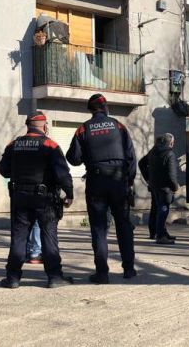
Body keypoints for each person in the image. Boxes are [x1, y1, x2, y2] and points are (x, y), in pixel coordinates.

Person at [0, 111, 74, 289]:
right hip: (45, 199)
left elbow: (4, 170)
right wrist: (69, 193)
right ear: (45, 126)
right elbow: (62, 174)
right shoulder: (50, 144)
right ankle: (54, 278)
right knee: (49, 236)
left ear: (27, 126)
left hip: (20, 197)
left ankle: (13, 278)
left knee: (18, 237)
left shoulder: (14, 144)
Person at [66, 94, 137, 284]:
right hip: (118, 180)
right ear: (105, 108)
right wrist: (129, 181)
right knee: (123, 225)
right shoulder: (119, 126)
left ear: (90, 110)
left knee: (99, 229)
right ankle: (129, 268)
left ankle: (102, 273)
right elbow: (131, 156)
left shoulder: (83, 129)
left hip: (96, 181)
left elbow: (73, 158)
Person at [147, 133, 180, 245]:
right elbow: (171, 175)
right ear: (170, 142)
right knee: (163, 210)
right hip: (165, 188)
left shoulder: (153, 152)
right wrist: (175, 187)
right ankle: (160, 235)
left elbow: (142, 163)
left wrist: (149, 179)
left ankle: (162, 233)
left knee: (159, 210)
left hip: (155, 186)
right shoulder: (169, 154)